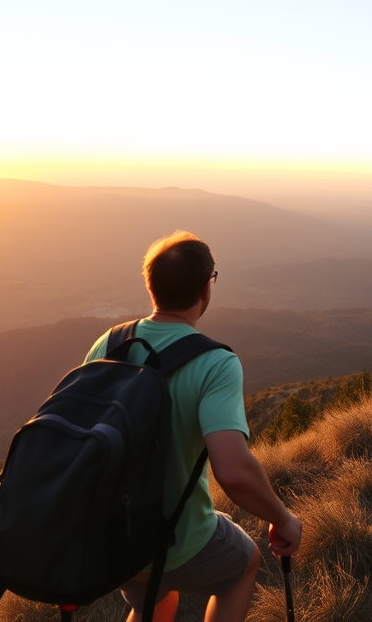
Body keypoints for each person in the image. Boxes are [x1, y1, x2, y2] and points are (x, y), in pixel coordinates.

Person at [82, 231, 301, 622]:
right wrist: (283, 520)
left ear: (151, 286)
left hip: (112, 535)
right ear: (206, 288)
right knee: (245, 563)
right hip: (175, 540)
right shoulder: (215, 364)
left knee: (157, 598)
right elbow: (233, 472)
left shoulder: (109, 343)